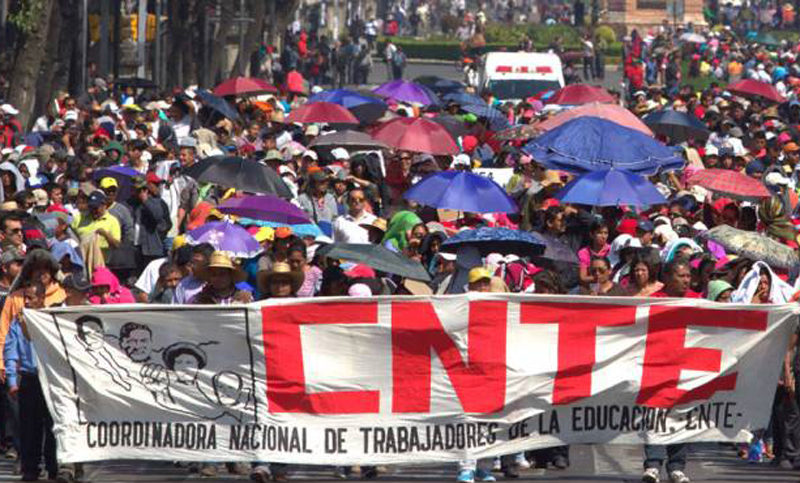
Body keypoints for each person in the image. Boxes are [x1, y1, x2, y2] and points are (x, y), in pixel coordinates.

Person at [4, 282, 57, 481]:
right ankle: (30, 468)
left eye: (31, 298)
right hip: (28, 379)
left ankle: (54, 467)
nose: (27, 301)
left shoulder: (51, 321)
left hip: (50, 380)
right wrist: (12, 381)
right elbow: (11, 352)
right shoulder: (19, 322)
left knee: (52, 427)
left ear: (42, 298)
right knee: (28, 428)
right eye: (25, 297)